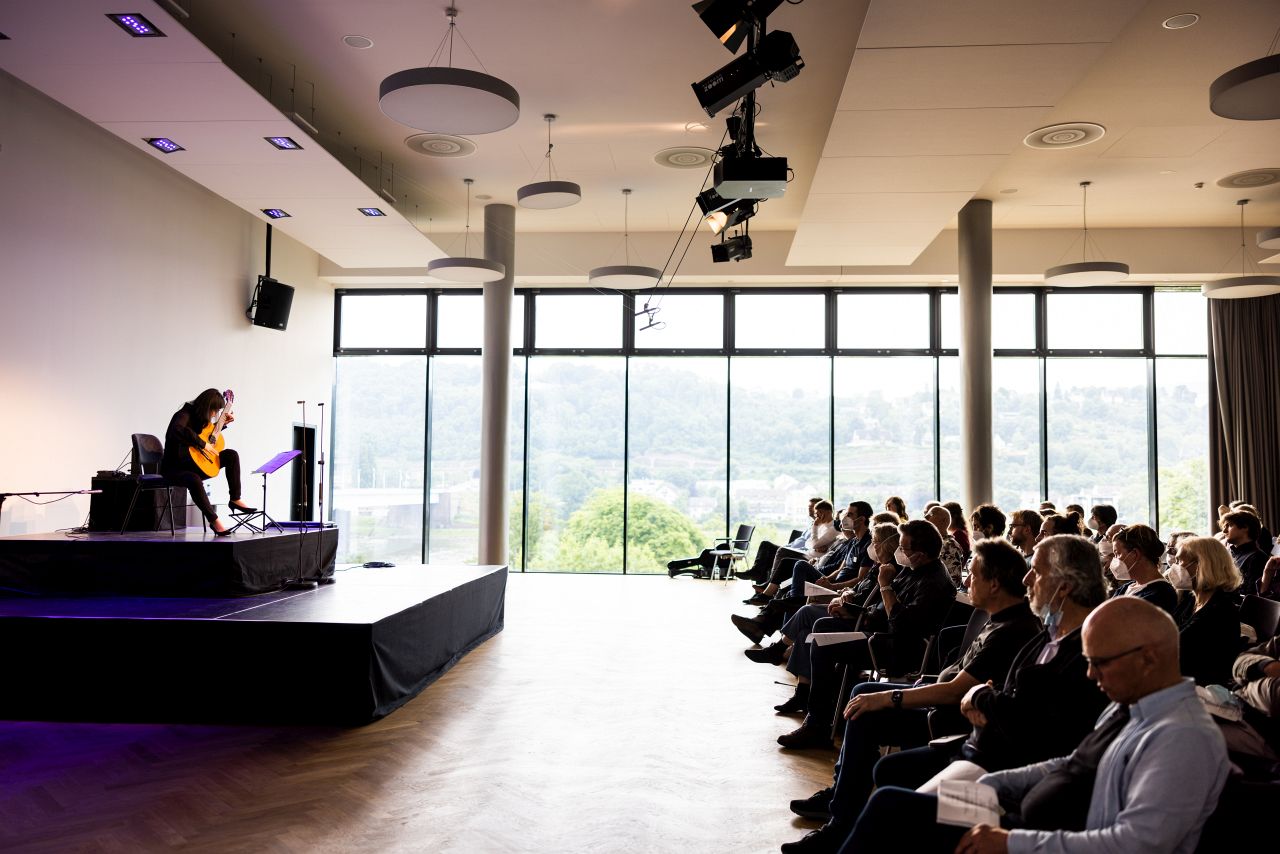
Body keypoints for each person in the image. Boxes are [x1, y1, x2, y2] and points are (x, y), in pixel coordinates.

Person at [836, 597, 1230, 854]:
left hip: (1038, 838)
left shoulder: (1182, 737)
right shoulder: (1130, 705)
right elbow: (1069, 763)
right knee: (895, 802)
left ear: (1149, 658)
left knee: (893, 811)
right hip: (1016, 815)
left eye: (1100, 663)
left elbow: (1137, 844)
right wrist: (993, 786)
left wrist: (1012, 842)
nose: (1090, 674)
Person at [779, 539, 1041, 852]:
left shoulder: (1011, 630)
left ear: (994, 584)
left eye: (973, 574)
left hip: (947, 716)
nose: (967, 580)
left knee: (867, 710)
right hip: (938, 697)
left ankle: (840, 821)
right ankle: (840, 798)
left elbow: (956, 691)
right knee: (862, 692)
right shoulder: (992, 617)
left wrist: (891, 698)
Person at [864, 534, 1109, 795]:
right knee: (888, 772)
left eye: (1036, 572)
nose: (1027, 580)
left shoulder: (1079, 651)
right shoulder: (1047, 636)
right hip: (980, 741)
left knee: (888, 791)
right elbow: (1009, 696)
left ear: (1064, 586)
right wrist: (987, 699)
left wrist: (981, 697)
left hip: (1001, 763)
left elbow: (1030, 720)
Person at [776, 520, 956, 750]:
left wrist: (885, 585)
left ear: (921, 554)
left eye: (904, 548)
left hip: (896, 648)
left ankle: (817, 724)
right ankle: (829, 709)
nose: (899, 552)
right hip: (879, 634)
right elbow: (881, 611)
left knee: (822, 645)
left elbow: (900, 624)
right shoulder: (913, 569)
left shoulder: (934, 582)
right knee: (822, 625)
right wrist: (851, 611)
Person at [160, 388, 254, 536]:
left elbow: (206, 437)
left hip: (195, 464)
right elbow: (176, 430)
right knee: (194, 479)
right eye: (214, 410)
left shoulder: (202, 419)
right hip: (175, 468)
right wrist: (203, 444)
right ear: (206, 406)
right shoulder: (184, 414)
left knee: (231, 455)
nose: (215, 414)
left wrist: (221, 424)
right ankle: (214, 520)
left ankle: (235, 498)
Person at [1171, 536, 1243, 686]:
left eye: (1180, 561)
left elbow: (1177, 644)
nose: (1175, 567)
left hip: (1200, 685)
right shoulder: (1190, 599)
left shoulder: (1220, 610)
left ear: (1202, 565)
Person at [1108, 524, 1177, 615]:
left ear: (1135, 554)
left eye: (1117, 554)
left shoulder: (1162, 595)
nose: (1114, 560)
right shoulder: (1126, 588)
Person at [1221, 509, 1270, 595]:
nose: (1224, 531)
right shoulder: (1228, 553)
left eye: (1229, 525)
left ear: (1245, 527)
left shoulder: (1258, 558)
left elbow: (1249, 594)